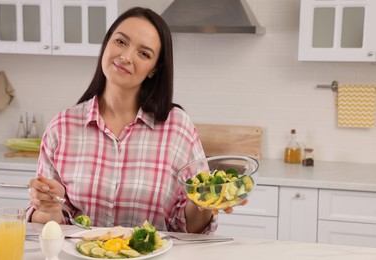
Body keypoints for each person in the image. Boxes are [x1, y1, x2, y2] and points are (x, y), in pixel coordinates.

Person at [28, 7, 242, 234]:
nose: (126, 57)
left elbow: (190, 228)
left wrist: (205, 204)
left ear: (154, 69)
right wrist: (49, 208)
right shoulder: (62, 127)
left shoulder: (178, 128)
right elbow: (48, 226)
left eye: (144, 54)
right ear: (107, 43)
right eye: (121, 42)